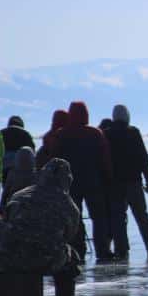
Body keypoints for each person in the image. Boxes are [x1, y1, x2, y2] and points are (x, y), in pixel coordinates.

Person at [0, 158, 85, 296]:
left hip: (9, 257)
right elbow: (70, 234)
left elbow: (7, 220)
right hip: (45, 259)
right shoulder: (67, 202)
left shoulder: (20, 195)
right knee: (71, 257)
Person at [103, 105, 148, 258]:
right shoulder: (133, 132)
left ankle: (121, 249)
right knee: (142, 216)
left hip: (115, 184)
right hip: (133, 182)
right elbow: (143, 158)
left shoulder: (107, 134)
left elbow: (103, 160)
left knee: (118, 218)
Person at [53, 101, 113, 262]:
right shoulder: (95, 133)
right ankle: (102, 249)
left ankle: (78, 249)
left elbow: (55, 159)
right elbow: (105, 158)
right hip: (93, 181)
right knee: (99, 217)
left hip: (70, 183)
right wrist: (108, 177)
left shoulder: (61, 134)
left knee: (74, 217)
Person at [0, 147, 37, 214]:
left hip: (14, 205)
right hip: (25, 206)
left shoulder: (12, 173)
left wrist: (2, 206)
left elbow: (5, 193)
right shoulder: (36, 174)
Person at [0, 116, 35, 186]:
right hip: (20, 167)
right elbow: (32, 151)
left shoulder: (1, 133)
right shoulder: (25, 134)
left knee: (6, 187)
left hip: (4, 166)